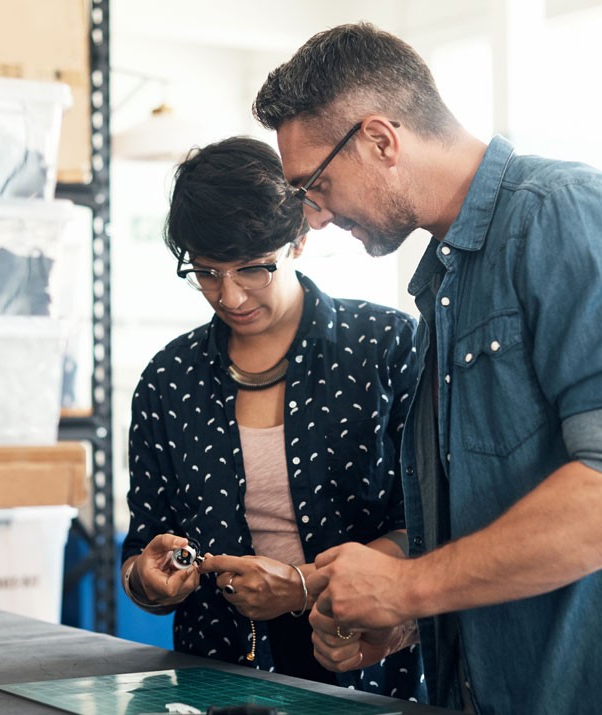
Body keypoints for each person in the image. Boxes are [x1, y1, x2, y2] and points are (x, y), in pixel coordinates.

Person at [252, 23, 602, 715]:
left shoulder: (572, 219)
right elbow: (506, 510)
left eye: (316, 185)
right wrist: (406, 615)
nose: (315, 218)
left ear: (380, 141)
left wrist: (409, 585)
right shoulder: (447, 284)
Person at [119, 136, 426, 701]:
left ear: (300, 239)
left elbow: (431, 529)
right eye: (206, 272)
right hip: (213, 675)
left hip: (362, 666)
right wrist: (148, 577)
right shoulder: (170, 378)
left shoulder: (385, 348)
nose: (229, 294)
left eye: (254, 270)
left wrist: (307, 586)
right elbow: (141, 548)